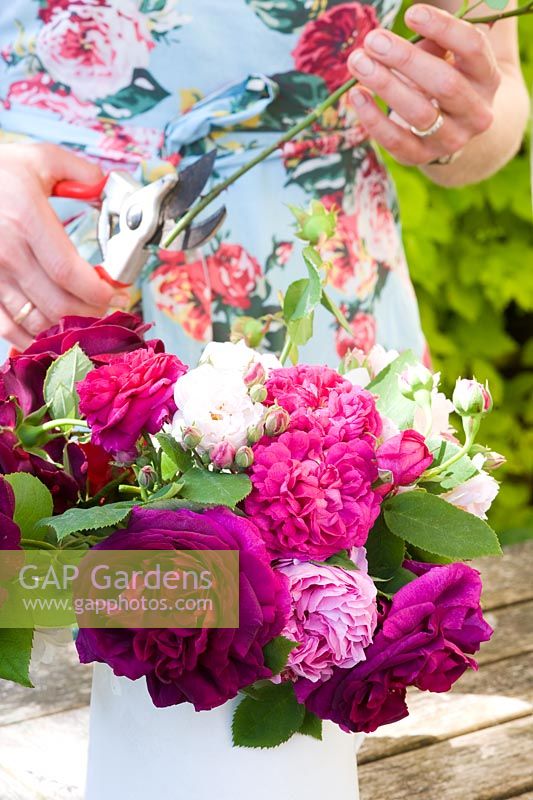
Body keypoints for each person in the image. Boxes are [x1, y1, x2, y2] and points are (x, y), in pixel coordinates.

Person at [0, 0, 528, 366]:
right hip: (32, 273)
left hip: (319, 296)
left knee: (317, 504)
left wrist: (454, 122)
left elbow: (499, 80)